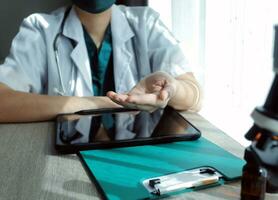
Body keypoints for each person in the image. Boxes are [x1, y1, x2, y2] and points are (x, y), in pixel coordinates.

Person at [0, 0, 201, 123]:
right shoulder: (40, 28)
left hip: (136, 151)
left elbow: (195, 96)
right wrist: (100, 104)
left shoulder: (146, 23)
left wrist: (172, 88)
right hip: (67, 159)